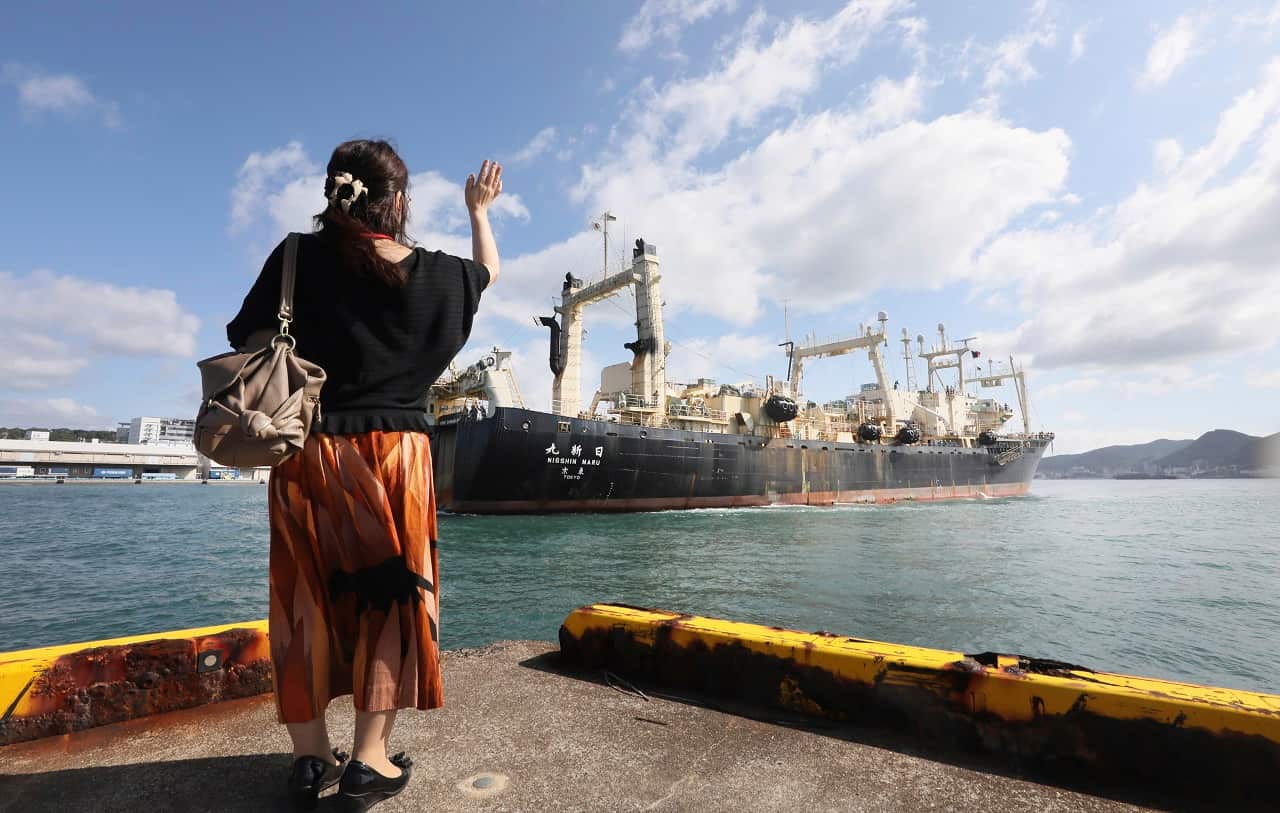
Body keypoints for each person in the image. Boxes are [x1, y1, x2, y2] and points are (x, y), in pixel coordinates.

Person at [226, 139, 501, 810]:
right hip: (397, 457)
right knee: (392, 603)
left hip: (305, 453)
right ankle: (369, 760)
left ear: (334, 192)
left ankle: (309, 756)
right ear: (397, 202)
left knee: (302, 603)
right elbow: (485, 272)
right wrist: (479, 211)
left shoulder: (294, 257)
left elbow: (246, 338)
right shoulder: (434, 274)